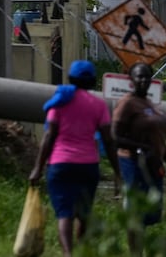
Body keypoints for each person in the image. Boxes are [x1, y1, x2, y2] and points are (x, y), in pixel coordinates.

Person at [29, 60, 122, 257]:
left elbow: (49, 136)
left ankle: (68, 253)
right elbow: (108, 140)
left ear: (70, 78)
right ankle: (80, 248)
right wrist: (117, 171)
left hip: (60, 164)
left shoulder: (60, 101)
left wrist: (37, 167)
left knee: (65, 213)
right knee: (83, 212)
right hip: (88, 166)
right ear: (93, 81)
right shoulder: (99, 106)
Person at [113, 62, 166, 255]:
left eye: (146, 76)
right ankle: (136, 252)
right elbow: (116, 137)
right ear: (131, 80)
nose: (143, 80)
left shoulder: (149, 103)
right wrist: (142, 148)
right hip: (133, 163)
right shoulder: (127, 103)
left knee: (149, 214)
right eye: (138, 76)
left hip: (152, 163)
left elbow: (158, 140)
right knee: (136, 213)